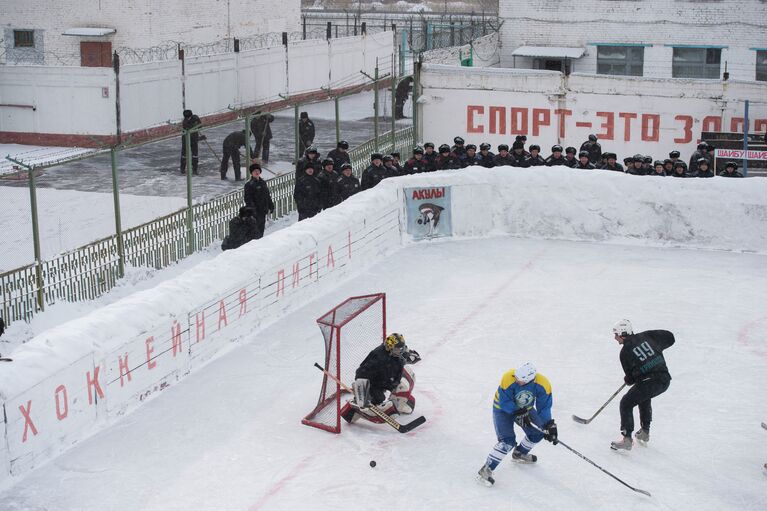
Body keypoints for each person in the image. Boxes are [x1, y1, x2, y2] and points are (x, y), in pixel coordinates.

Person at [477, 362, 557, 486]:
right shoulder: (508, 377)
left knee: (538, 433)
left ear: (531, 379)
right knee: (507, 441)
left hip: (526, 409)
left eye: (521, 380)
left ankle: (519, 453)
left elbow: (544, 408)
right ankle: (486, 469)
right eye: (517, 378)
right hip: (502, 409)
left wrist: (548, 426)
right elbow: (504, 401)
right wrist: (517, 413)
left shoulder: (543, 384)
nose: (518, 381)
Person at [610, 319, 674, 451]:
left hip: (649, 381)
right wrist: (657, 348)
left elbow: (631, 378)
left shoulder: (624, 352)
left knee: (626, 403)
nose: (615, 338)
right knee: (643, 396)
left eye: (616, 334)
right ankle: (645, 432)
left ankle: (627, 439)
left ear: (622, 333)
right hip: (664, 379)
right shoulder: (648, 336)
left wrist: (629, 379)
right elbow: (670, 337)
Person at [341, 333, 421, 424]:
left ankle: (398, 403)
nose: (401, 351)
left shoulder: (397, 353)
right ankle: (354, 410)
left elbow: (404, 355)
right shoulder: (377, 357)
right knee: (377, 399)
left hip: (388, 380)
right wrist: (362, 392)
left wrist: (409, 355)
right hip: (375, 383)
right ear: (389, 347)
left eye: (401, 348)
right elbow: (360, 373)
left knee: (407, 379)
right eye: (398, 349)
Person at [243, 164, 275, 239]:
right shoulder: (249, 185)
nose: (257, 172)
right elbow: (248, 199)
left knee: (261, 230)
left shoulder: (263, 182)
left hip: (263, 211)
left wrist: (270, 205)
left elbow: (267, 195)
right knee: (255, 232)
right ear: (251, 173)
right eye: (254, 171)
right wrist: (253, 210)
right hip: (255, 212)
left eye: (258, 171)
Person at [180, 109, 204, 175]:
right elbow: (189, 132)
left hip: (194, 138)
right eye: (187, 118)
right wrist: (200, 138)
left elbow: (200, 125)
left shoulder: (195, 118)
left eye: (189, 117)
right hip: (186, 139)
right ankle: (182, 169)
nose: (188, 118)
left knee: (195, 155)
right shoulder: (185, 122)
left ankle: (195, 170)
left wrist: (198, 127)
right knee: (184, 155)